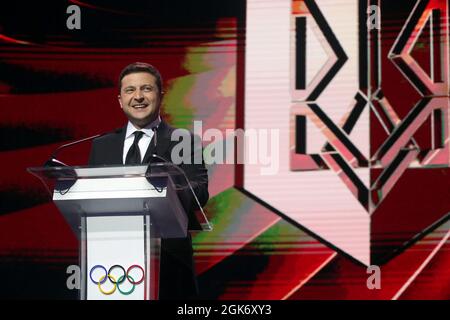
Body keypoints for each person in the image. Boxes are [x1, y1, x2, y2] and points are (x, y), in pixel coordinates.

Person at [88, 62, 209, 299]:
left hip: (168, 262)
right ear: (120, 100)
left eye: (146, 89)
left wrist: (165, 189)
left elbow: (200, 193)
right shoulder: (102, 145)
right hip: (112, 265)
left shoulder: (183, 141)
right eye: (130, 90)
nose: (138, 97)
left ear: (160, 96)